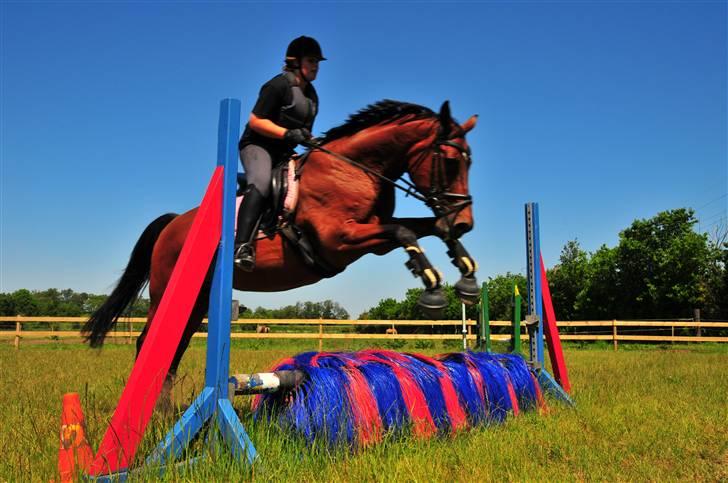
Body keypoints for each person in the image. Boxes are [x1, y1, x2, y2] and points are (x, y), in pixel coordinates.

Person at [234, 36, 325, 271]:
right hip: (257, 147)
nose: (316, 66)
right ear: (295, 62)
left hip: (284, 154)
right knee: (262, 183)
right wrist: (287, 134)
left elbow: (303, 134)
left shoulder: (311, 96)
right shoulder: (278, 85)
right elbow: (255, 121)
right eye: (312, 60)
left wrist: (315, 142)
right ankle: (242, 245)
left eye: (318, 61)